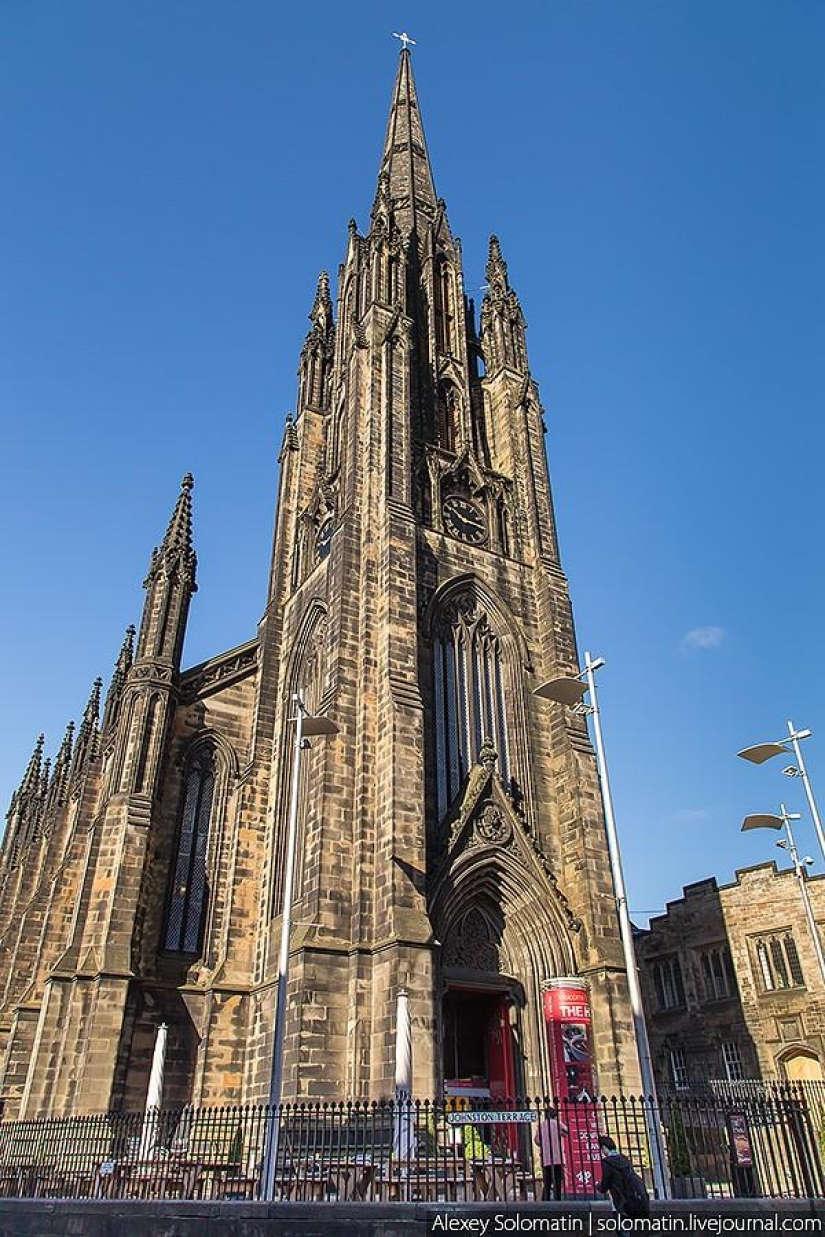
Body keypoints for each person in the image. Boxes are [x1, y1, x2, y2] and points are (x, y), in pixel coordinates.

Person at [597, 1135, 651, 1218]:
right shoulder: (625, 1159)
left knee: (620, 1225)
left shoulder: (607, 1162)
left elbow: (605, 1184)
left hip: (619, 1200)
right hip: (632, 1199)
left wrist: (598, 1186)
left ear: (604, 1147)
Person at [534, 1106, 568, 1201]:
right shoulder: (558, 1124)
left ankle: (546, 1200)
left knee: (547, 1181)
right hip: (557, 1158)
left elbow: (536, 1140)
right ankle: (557, 1200)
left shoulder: (542, 1125)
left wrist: (544, 1144)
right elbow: (566, 1132)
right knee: (557, 1181)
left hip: (546, 1158)